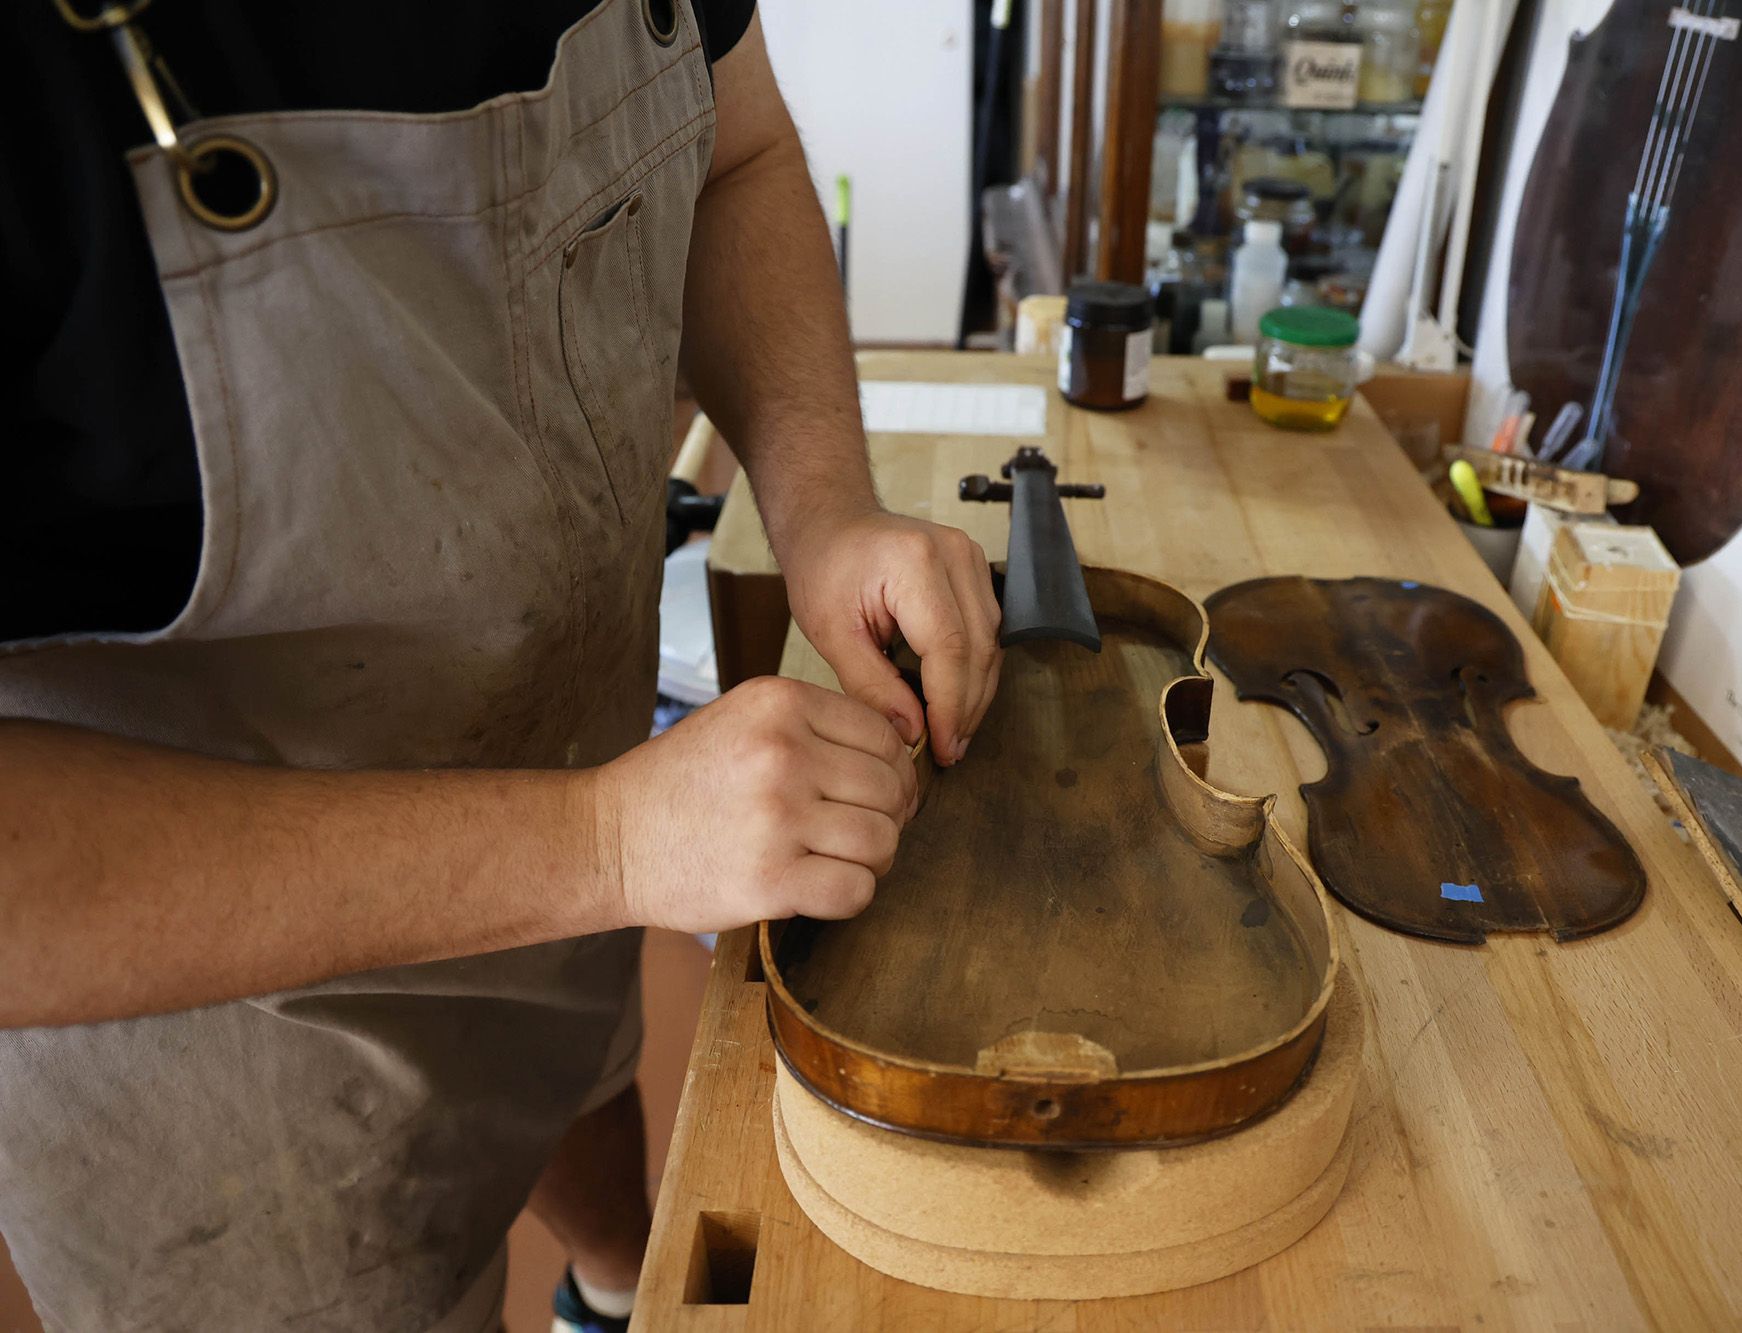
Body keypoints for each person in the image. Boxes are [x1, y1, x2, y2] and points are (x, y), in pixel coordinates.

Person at [0, 2, 1002, 1329]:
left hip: (600, 802)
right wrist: (602, 841)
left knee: (586, 1098)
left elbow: (738, 152)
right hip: (240, 1053)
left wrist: (825, 507)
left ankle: (604, 1285)